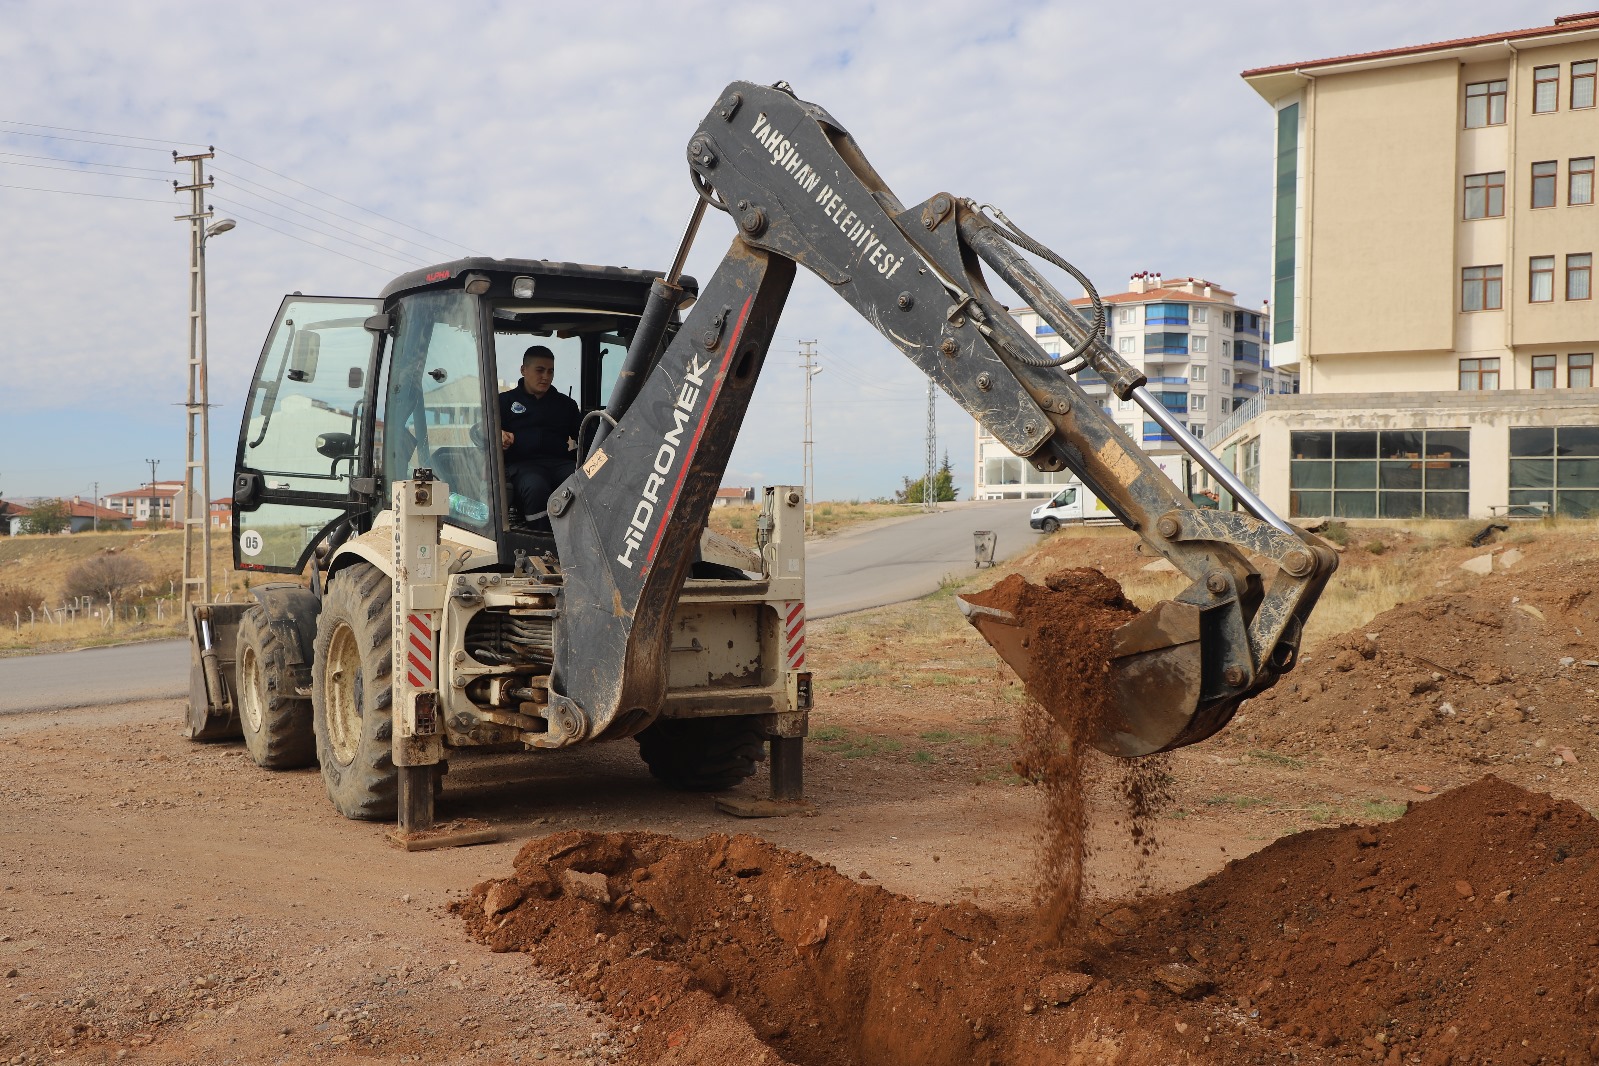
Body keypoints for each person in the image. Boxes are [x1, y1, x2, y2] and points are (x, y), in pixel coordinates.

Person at [499, 345, 581, 529]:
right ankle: (540, 539)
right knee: (536, 486)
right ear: (523, 370)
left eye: (550, 371)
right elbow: (479, 431)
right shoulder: (503, 402)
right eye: (540, 370)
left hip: (558, 462)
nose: (546, 376)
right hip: (521, 465)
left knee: (583, 478)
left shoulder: (566, 405)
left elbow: (588, 436)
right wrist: (499, 434)